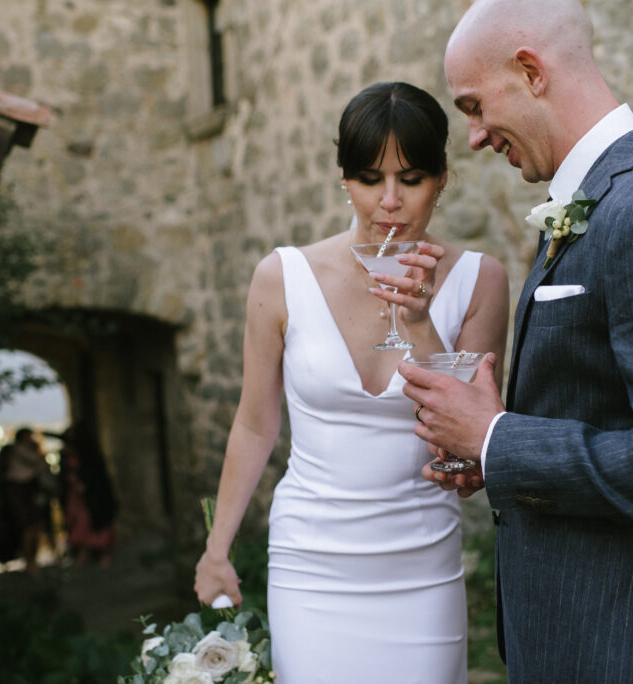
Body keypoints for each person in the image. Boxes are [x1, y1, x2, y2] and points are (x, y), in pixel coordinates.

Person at [398, 1, 633, 682]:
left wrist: (499, 437)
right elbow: (598, 409)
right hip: (567, 638)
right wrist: (496, 455)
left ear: (531, 71)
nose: (472, 136)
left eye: (474, 106)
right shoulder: (595, 197)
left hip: (623, 647)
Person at [193, 81, 510, 682]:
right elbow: (255, 423)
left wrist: (418, 322)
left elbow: (465, 441)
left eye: (411, 179)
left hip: (420, 565)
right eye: (369, 178)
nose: (389, 201)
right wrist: (217, 550)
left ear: (442, 179)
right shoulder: (281, 276)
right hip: (310, 562)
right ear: (345, 179)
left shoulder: (480, 282)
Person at [59, 423, 117, 568]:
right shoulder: (68, 452)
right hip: (77, 496)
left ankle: (104, 554)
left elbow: (96, 473)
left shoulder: (89, 453)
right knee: (80, 523)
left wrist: (85, 484)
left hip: (92, 496)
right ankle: (83, 554)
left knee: (97, 522)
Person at [0, 426, 50, 576]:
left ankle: (31, 559)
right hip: (19, 492)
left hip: (28, 491)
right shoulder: (19, 450)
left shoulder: (26, 451)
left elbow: (41, 466)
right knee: (27, 527)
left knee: (34, 526)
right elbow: (39, 463)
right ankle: (29, 560)